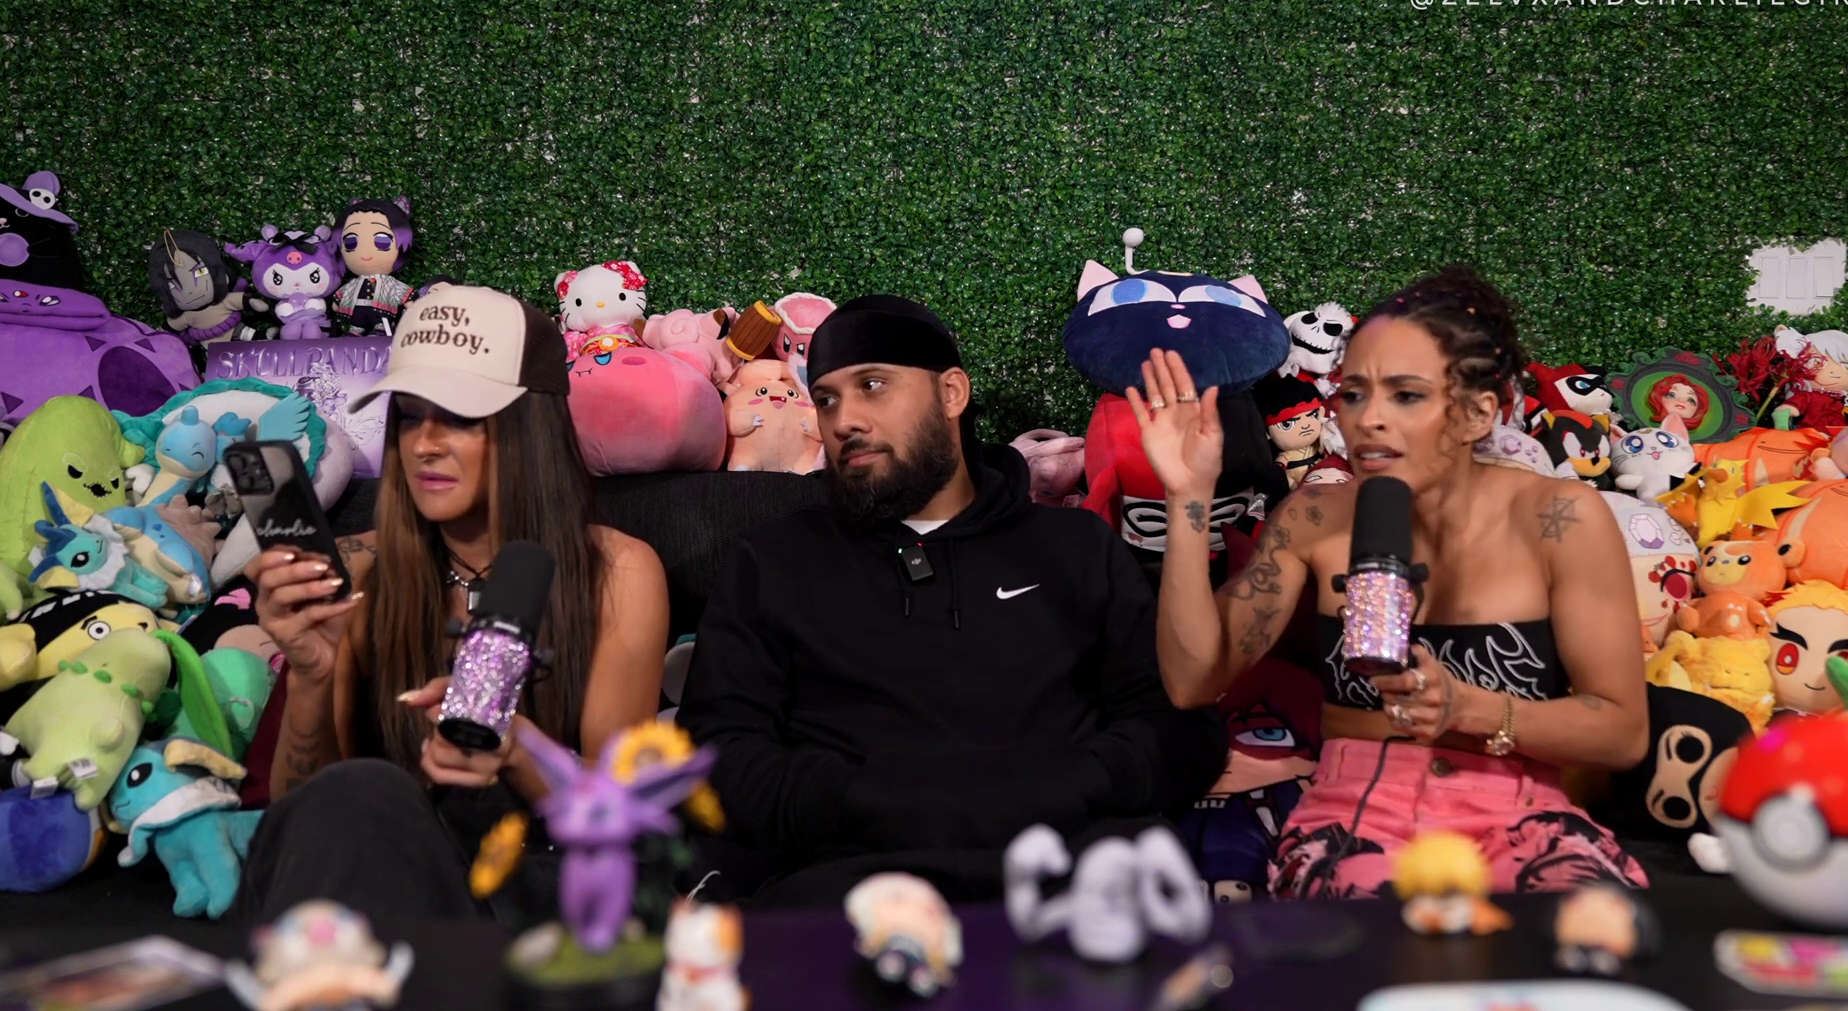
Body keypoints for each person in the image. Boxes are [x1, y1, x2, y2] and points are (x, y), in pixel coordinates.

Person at [678, 294, 1226, 906]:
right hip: (850, 890)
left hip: (1072, 883)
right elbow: (717, 755)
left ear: (951, 393)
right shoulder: (773, 560)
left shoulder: (1076, 546)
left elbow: (1179, 728)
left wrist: (1066, 785)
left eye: (873, 386)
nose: (844, 419)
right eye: (826, 399)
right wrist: (862, 799)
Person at [1138, 265, 1649, 899]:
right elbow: (1192, 681)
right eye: (1353, 394)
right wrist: (1187, 496)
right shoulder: (1314, 517)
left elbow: (1622, 733)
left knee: (1588, 931)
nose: (1368, 419)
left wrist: (1471, 709)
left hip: (1523, 816)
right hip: (1354, 816)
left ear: (1477, 412)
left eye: (1405, 395)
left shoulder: (1561, 518)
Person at [239, 284, 670, 923]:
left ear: (531, 428)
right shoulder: (359, 567)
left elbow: (620, 819)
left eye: (462, 417)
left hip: (530, 883)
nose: (424, 444)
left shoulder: (615, 571)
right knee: (360, 790)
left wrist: (518, 751)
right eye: (410, 416)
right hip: (377, 883)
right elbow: (306, 818)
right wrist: (312, 676)